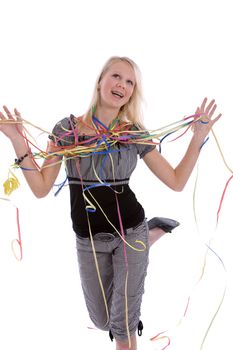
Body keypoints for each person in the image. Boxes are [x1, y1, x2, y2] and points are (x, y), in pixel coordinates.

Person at [0, 56, 221, 350]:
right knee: (102, 320)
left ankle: (144, 236)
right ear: (100, 81)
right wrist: (17, 140)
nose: (122, 85)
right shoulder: (67, 130)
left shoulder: (132, 134)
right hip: (89, 240)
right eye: (117, 76)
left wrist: (197, 139)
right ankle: (153, 232)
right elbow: (41, 188)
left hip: (129, 234)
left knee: (121, 327)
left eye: (130, 82)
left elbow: (176, 181)